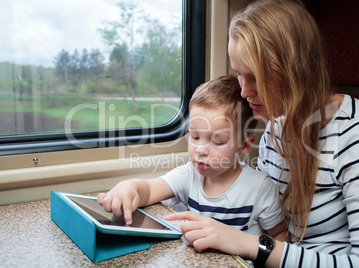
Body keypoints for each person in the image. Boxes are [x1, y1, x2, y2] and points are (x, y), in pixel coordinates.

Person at [165, 0, 359, 267]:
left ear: (295, 70)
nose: (244, 91)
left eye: (255, 76)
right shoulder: (275, 131)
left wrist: (249, 244)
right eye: (239, 75)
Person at [97, 75, 289, 240]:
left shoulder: (260, 187)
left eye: (217, 142)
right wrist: (128, 188)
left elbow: (279, 234)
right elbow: (147, 189)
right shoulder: (190, 174)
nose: (200, 149)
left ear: (246, 145)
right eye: (195, 137)